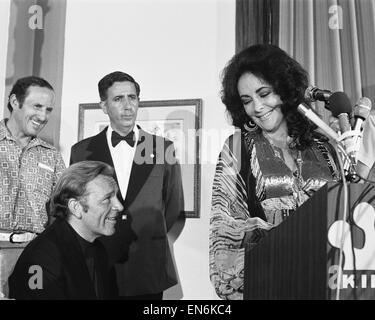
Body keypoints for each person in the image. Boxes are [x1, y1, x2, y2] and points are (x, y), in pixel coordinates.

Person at [209, 44, 341, 300]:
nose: (257, 107)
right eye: (247, 100)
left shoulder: (324, 146)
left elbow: (343, 214)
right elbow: (224, 234)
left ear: (285, 89)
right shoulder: (238, 148)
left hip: (325, 288)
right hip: (269, 288)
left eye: (264, 93)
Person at [70, 71, 184, 300]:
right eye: (118, 99)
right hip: (98, 261)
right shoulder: (81, 151)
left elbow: (173, 208)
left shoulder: (164, 148)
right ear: (103, 106)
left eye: (132, 98)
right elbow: (75, 206)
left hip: (147, 266)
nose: (127, 105)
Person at [8, 161, 123, 299]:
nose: (119, 206)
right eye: (107, 199)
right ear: (76, 207)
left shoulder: (99, 250)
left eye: (116, 197)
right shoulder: (41, 258)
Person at [0, 76, 65, 296]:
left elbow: (64, 209)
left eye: (48, 109)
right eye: (37, 106)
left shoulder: (52, 156)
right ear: (14, 102)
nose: (43, 116)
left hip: (34, 253)